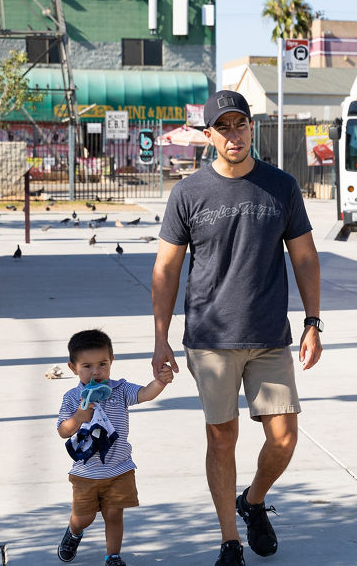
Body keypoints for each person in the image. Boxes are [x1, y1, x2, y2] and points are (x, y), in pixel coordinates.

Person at [151, 89, 322, 566]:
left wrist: (313, 322)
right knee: (222, 438)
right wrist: (161, 338)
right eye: (222, 127)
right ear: (208, 135)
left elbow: (305, 258)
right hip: (210, 339)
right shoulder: (188, 193)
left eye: (239, 124)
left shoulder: (281, 186)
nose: (232, 134)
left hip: (269, 336)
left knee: (284, 437)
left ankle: (253, 501)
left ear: (252, 127)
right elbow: (165, 271)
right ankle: (230, 539)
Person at [56, 329, 173, 565]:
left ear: (112, 361)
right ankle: (74, 532)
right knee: (84, 517)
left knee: (114, 514)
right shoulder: (72, 397)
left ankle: (113, 556)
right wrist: (79, 416)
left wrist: (160, 381)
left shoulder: (119, 390)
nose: (96, 371)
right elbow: (63, 430)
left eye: (102, 364)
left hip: (120, 468)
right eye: (87, 366)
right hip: (86, 473)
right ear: (73, 367)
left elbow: (144, 394)